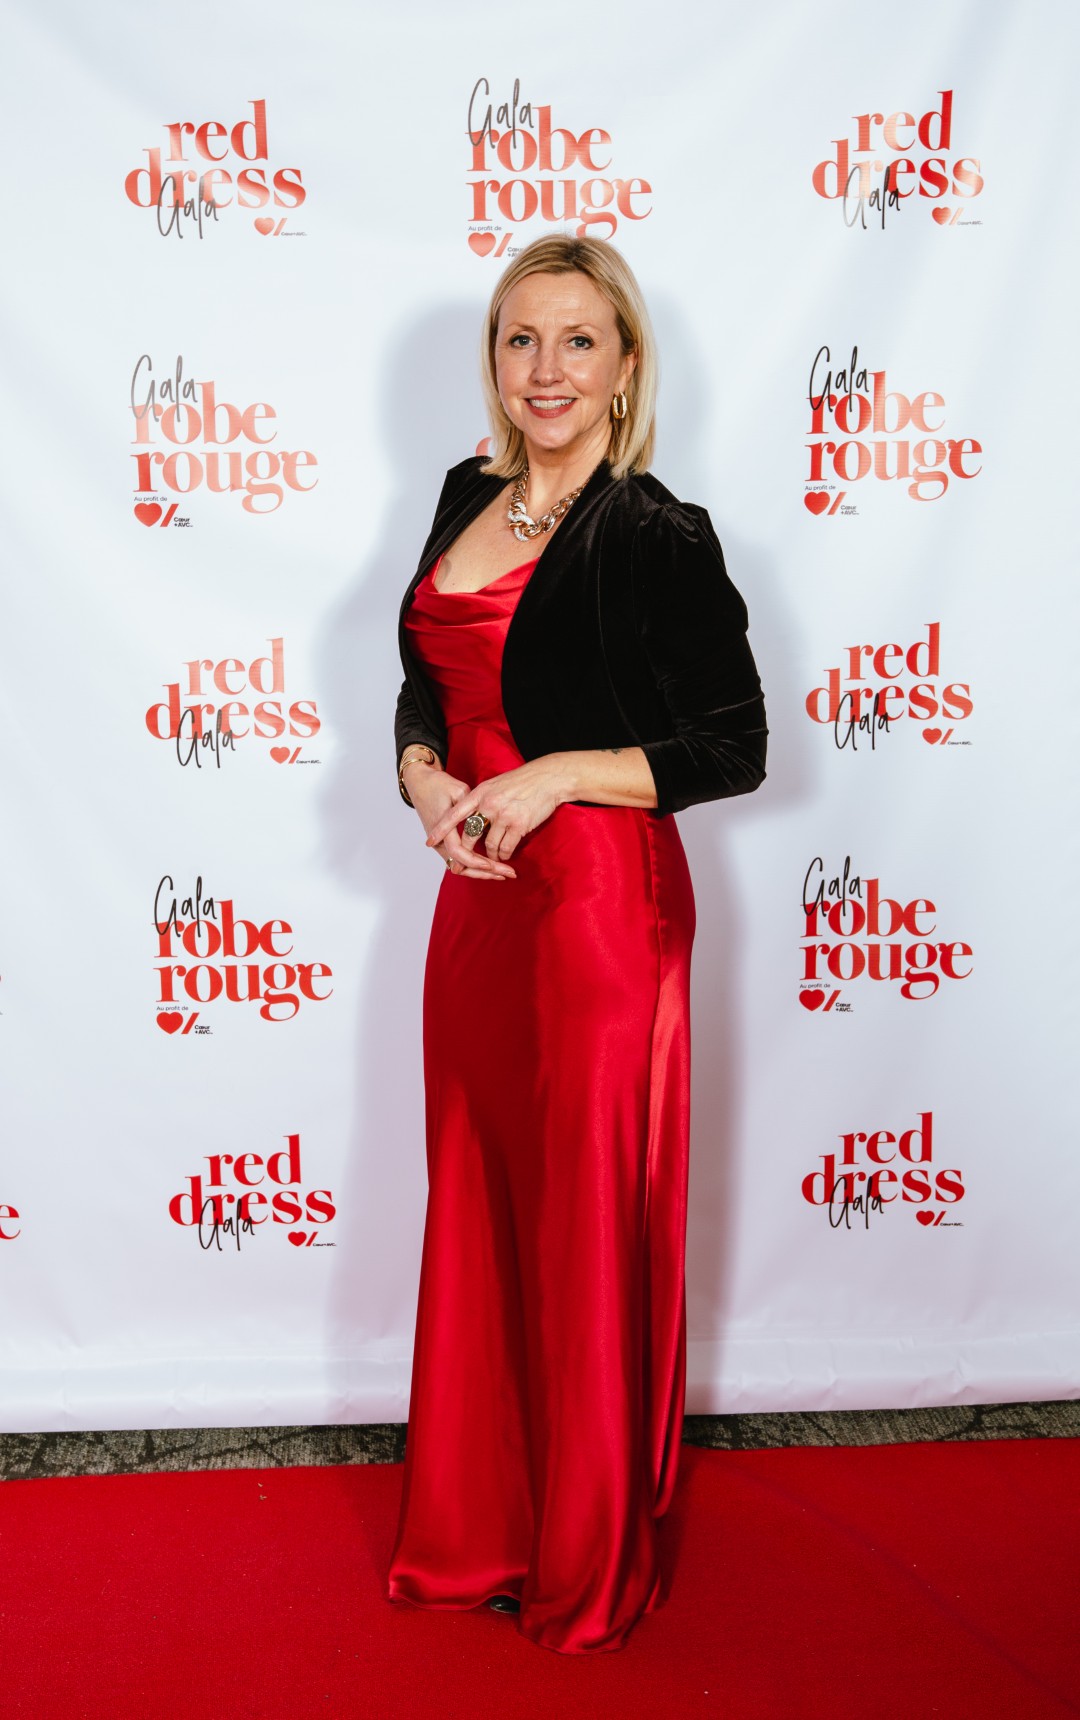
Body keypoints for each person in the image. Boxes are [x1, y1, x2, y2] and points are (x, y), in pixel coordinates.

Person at [386, 234, 767, 1655]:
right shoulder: (463, 493)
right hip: (477, 901)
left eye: (578, 341)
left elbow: (732, 745)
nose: (545, 370)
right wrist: (427, 781)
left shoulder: (656, 531)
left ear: (624, 367)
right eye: (520, 340)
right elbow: (425, 682)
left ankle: (584, 1555)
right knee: (482, 1200)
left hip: (601, 907)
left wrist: (554, 776)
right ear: (495, 361)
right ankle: (481, 1530)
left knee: (583, 1219)